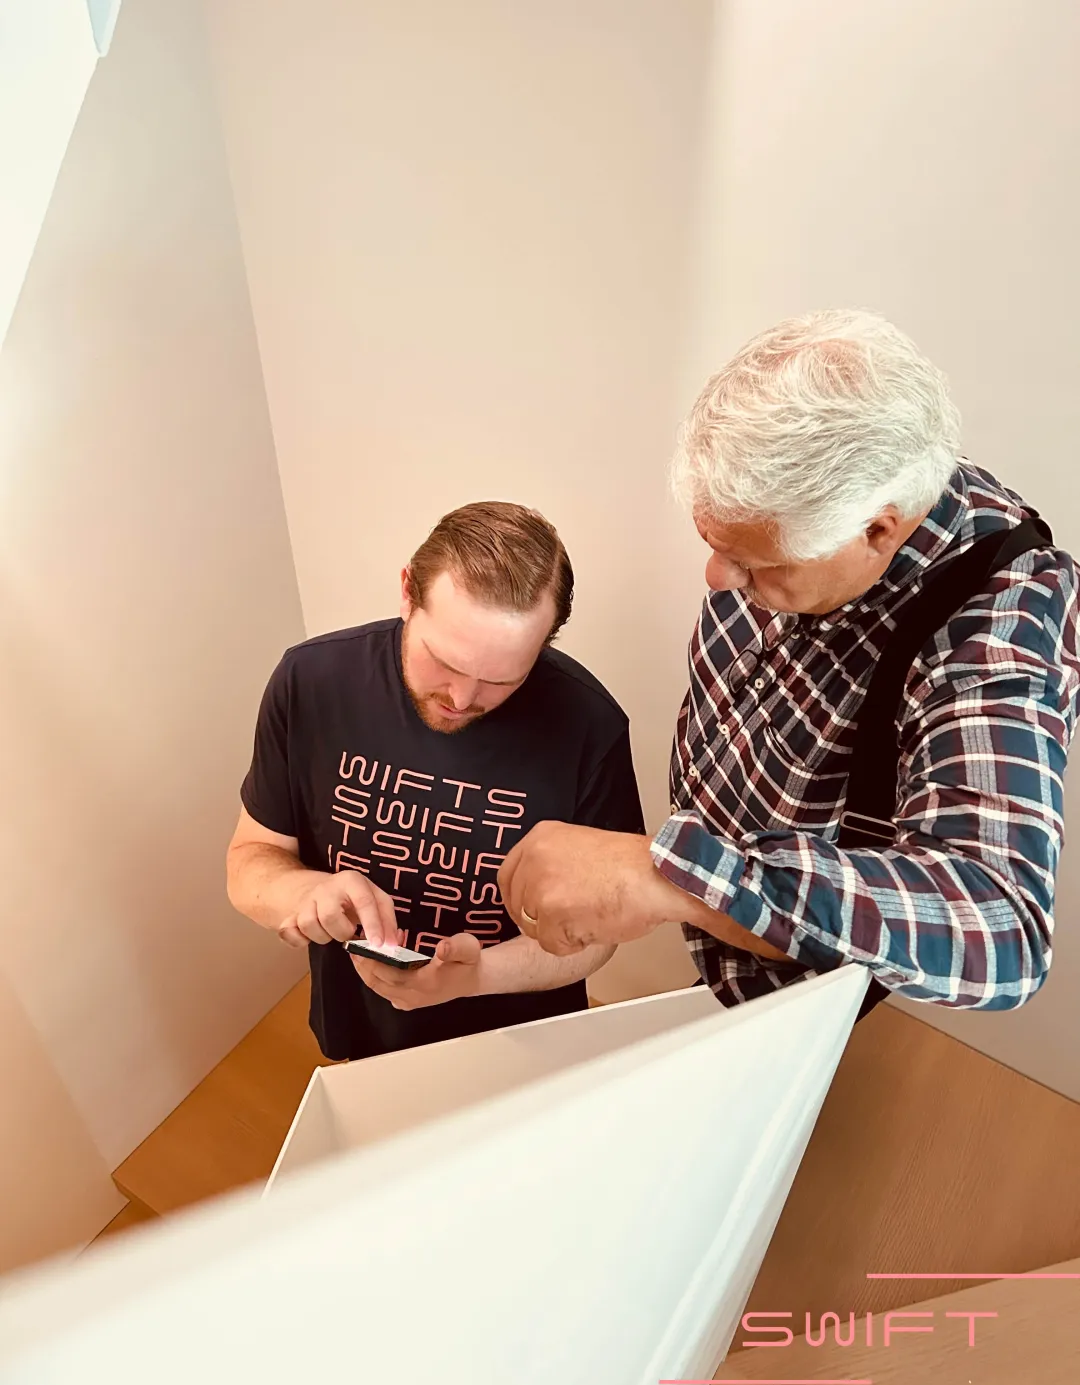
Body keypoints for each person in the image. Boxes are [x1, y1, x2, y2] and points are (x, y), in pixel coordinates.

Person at [494, 310, 1080, 1017]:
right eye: (716, 546)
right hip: (717, 935)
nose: (717, 578)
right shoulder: (820, 490)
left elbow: (1003, 933)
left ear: (877, 530)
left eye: (756, 563)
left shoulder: (999, 624)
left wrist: (675, 878)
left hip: (788, 991)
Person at [226, 501, 643, 1060]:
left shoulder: (589, 725)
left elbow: (598, 935)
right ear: (407, 591)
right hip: (361, 1027)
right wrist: (303, 893)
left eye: (502, 679)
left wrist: (478, 976)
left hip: (521, 1044)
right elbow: (250, 860)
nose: (462, 699)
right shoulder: (311, 683)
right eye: (444, 662)